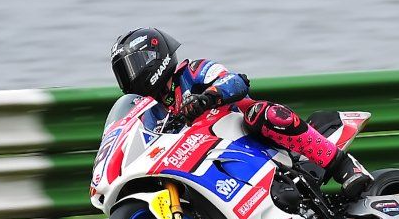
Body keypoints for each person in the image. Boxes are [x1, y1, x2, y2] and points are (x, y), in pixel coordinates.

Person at [110, 27, 372, 202]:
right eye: (124, 71)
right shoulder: (152, 110)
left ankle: (343, 166)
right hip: (207, 158)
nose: (130, 76)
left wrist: (207, 98)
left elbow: (236, 81)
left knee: (261, 113)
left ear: (155, 58)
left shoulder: (194, 72)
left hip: (246, 136)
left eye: (132, 67)